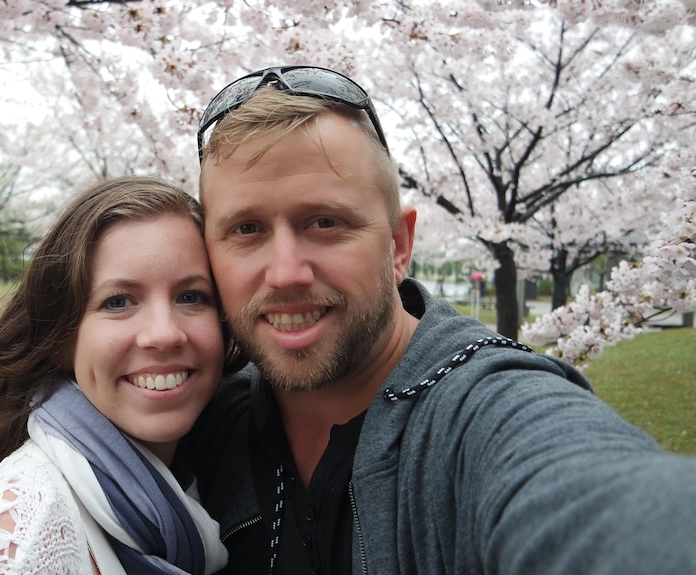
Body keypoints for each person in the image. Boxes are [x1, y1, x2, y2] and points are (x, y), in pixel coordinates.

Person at [189, 65, 696, 574]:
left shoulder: (485, 413)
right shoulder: (199, 418)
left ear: (399, 246)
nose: (286, 274)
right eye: (246, 229)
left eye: (325, 222)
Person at [0, 176, 244, 574]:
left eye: (191, 296)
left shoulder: (202, 479)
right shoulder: (19, 536)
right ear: (61, 340)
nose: (164, 333)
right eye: (118, 301)